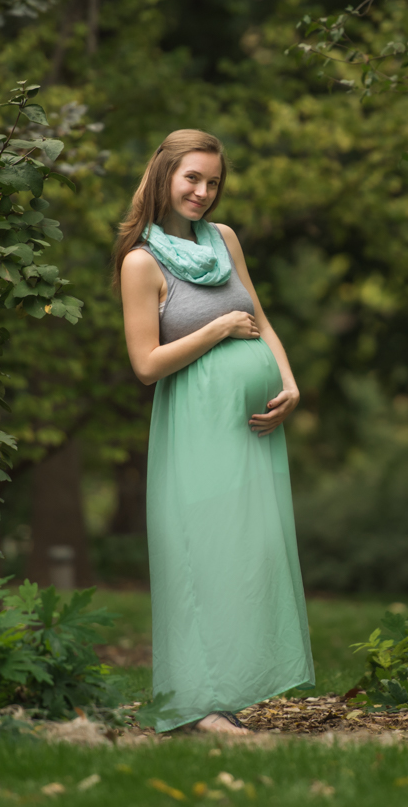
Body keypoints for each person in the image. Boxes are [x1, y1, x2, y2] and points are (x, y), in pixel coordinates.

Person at [112, 128, 314, 736]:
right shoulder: (140, 263)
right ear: (164, 176)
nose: (203, 191)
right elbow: (146, 365)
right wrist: (218, 330)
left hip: (252, 432)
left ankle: (227, 692)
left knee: (247, 556)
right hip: (194, 430)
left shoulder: (223, 240)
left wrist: (288, 379)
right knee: (199, 556)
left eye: (213, 181)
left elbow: (260, 317)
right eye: (192, 178)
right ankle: (197, 706)